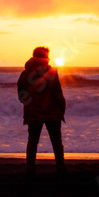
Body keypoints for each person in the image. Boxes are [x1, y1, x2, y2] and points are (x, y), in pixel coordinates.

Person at [17, 46, 67, 178]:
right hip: (52, 111)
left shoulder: (25, 74)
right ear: (44, 57)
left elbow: (21, 96)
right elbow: (57, 93)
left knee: (32, 141)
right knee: (56, 141)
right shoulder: (51, 72)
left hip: (33, 111)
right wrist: (62, 108)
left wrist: (30, 104)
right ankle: (60, 168)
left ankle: (30, 169)